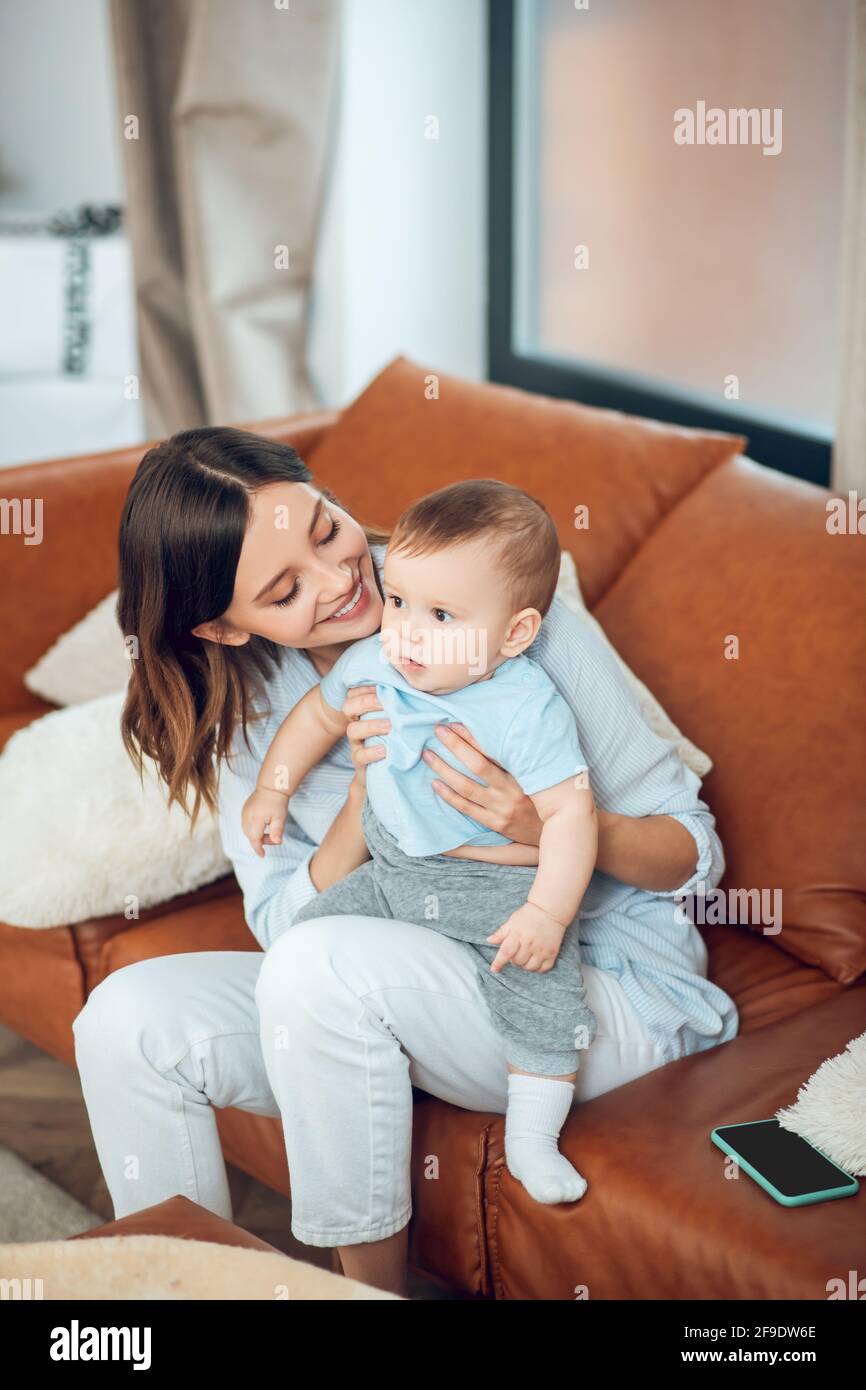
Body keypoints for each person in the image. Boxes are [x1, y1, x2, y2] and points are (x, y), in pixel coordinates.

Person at [72, 426, 739, 1297]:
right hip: (381, 985)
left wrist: (545, 824)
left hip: (593, 985)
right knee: (126, 1020)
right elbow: (281, 925)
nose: (345, 580)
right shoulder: (252, 709)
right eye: (283, 589)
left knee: (322, 966)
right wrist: (360, 800)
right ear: (223, 629)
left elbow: (696, 854)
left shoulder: (481, 603)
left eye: (326, 530)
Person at [243, 479, 600, 1206]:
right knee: (300, 953)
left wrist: (548, 915)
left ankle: (533, 1139)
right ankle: (314, 1070)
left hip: (497, 892)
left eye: (440, 616)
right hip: (394, 869)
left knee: (543, 1003)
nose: (404, 629)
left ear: (514, 635)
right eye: (400, 600)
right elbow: (317, 716)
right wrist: (273, 788)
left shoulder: (523, 705)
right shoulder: (377, 658)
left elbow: (569, 816)